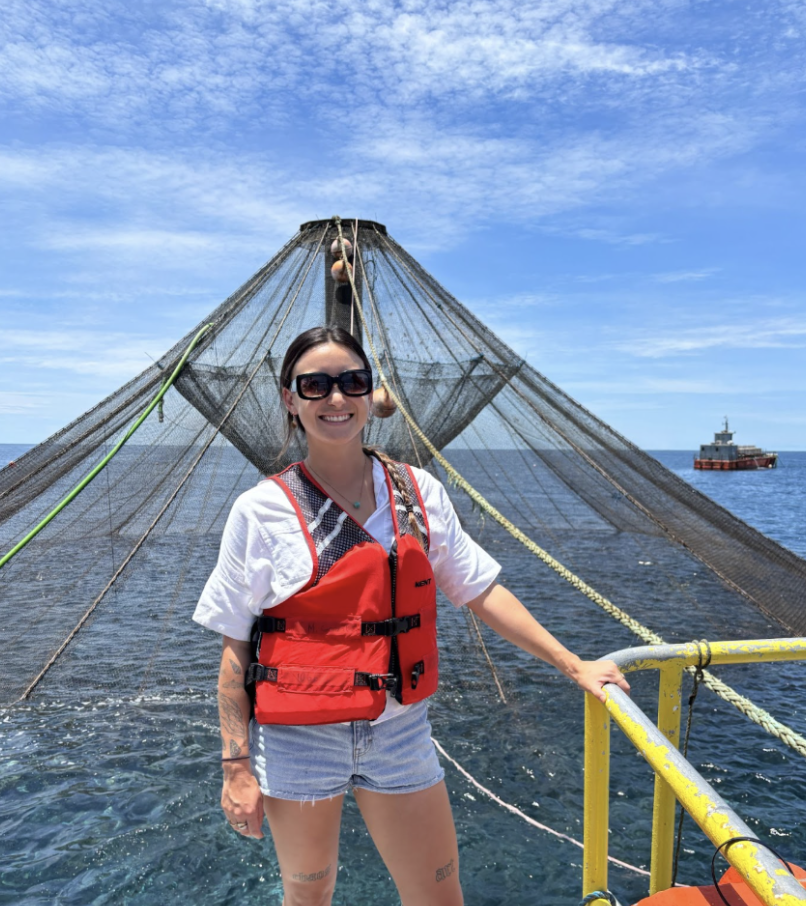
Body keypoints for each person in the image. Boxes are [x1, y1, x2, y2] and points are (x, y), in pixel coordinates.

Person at [193, 325, 630, 906]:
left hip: (400, 733)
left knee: (438, 896)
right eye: (315, 385)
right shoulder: (261, 509)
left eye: (352, 382)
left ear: (371, 393)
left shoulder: (417, 492)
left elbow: (480, 590)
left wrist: (573, 664)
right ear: (289, 398)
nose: (335, 399)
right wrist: (235, 768)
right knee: (308, 894)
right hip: (298, 739)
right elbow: (236, 649)